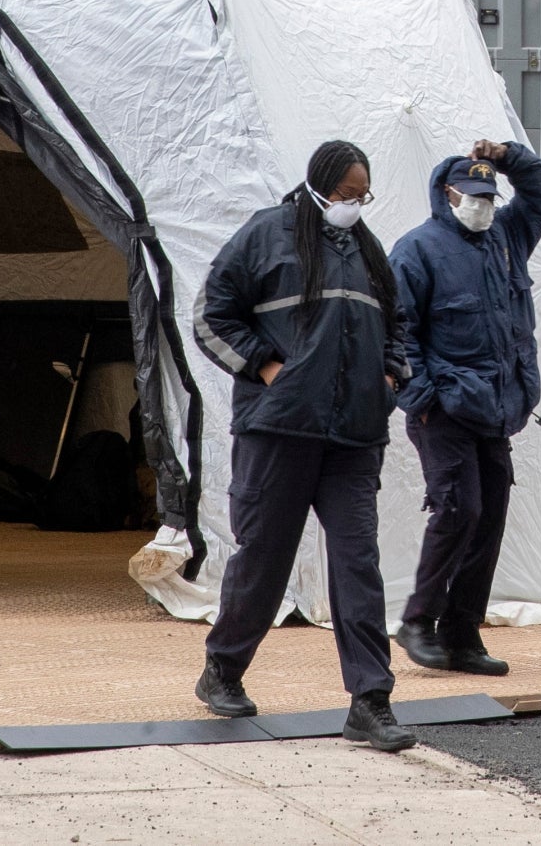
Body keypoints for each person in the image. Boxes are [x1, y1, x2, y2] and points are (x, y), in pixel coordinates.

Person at [193, 139, 417, 752]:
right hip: (279, 430)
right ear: (318, 184)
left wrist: (392, 372)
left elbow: (397, 323)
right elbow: (212, 316)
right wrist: (267, 368)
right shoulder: (266, 235)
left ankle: (370, 700)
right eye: (346, 194)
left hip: (354, 436)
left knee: (357, 565)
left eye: (361, 196)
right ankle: (223, 669)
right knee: (263, 558)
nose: (353, 205)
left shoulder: (369, 253)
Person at [390, 137, 541, 674]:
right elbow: (396, 334)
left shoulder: (507, 236)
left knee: (488, 518)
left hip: (496, 407)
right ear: (446, 194)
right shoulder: (416, 250)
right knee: (459, 508)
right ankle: (418, 620)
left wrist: (509, 156)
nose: (482, 205)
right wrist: (422, 399)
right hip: (443, 410)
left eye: (489, 195)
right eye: (472, 195)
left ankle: (463, 634)